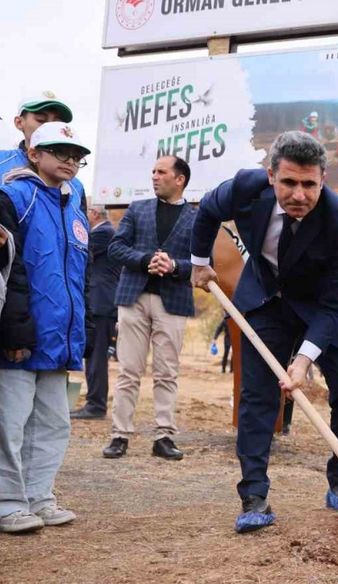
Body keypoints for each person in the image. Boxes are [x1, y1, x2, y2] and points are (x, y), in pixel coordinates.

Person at [190, 131, 338, 533]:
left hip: (326, 309)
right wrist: (199, 263)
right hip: (268, 298)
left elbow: (335, 305)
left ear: (322, 180)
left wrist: (304, 361)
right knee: (257, 395)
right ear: (271, 176)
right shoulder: (244, 187)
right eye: (289, 182)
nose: (300, 194)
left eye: (310, 184)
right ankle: (254, 495)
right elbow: (206, 213)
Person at [0, 122, 91, 533]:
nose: (70, 161)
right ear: (34, 154)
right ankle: (7, 502)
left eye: (76, 154)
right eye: (59, 152)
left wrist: (79, 332)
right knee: (10, 422)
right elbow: (10, 270)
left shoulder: (73, 202)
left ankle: (39, 496)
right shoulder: (13, 196)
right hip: (18, 335)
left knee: (54, 422)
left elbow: (77, 275)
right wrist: (13, 330)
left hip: (58, 337)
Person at [102, 156, 197, 461]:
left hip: (174, 301)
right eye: (153, 172)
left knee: (167, 372)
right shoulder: (138, 209)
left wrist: (174, 266)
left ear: (179, 179)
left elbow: (202, 264)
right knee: (128, 370)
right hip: (134, 298)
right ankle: (119, 435)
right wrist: (145, 260)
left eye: (161, 172)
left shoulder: (197, 218)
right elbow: (116, 248)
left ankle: (164, 436)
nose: (154, 177)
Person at [71, 205, 121, 419]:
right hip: (100, 303)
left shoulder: (103, 233)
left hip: (101, 303)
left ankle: (96, 405)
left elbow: (78, 251)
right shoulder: (105, 232)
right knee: (93, 355)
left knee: (97, 357)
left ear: (94, 213)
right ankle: (94, 402)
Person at [0, 91, 74, 177]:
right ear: (19, 122)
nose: (50, 127)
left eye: (56, 123)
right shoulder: (2, 162)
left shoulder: (74, 183)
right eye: (41, 120)